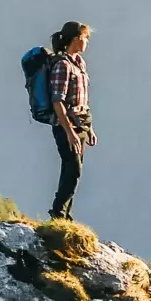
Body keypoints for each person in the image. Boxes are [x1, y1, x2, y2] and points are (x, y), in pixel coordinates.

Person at [46, 21, 97, 220]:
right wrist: (69, 132)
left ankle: (65, 216)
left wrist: (89, 128)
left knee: (75, 170)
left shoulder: (79, 64)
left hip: (80, 123)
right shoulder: (63, 65)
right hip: (66, 125)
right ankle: (58, 212)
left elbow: (82, 100)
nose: (87, 42)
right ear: (76, 39)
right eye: (85, 37)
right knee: (72, 169)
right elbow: (57, 101)